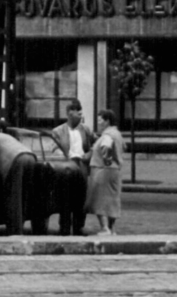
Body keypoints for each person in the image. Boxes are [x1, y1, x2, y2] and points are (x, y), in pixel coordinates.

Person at [51, 98, 94, 235]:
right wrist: (64, 158)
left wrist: (90, 154)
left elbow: (96, 145)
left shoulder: (86, 130)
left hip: (81, 165)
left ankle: (78, 225)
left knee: (81, 196)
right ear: (69, 113)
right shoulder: (58, 131)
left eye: (81, 113)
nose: (81, 116)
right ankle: (64, 225)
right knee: (65, 196)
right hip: (66, 167)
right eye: (78, 113)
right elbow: (54, 149)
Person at [85, 108, 124, 235]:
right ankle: (112, 229)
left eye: (100, 120)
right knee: (112, 200)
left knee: (99, 199)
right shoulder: (117, 133)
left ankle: (104, 228)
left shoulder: (107, 135)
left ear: (107, 121)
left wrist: (106, 158)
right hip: (115, 170)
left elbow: (105, 146)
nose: (99, 123)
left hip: (103, 170)